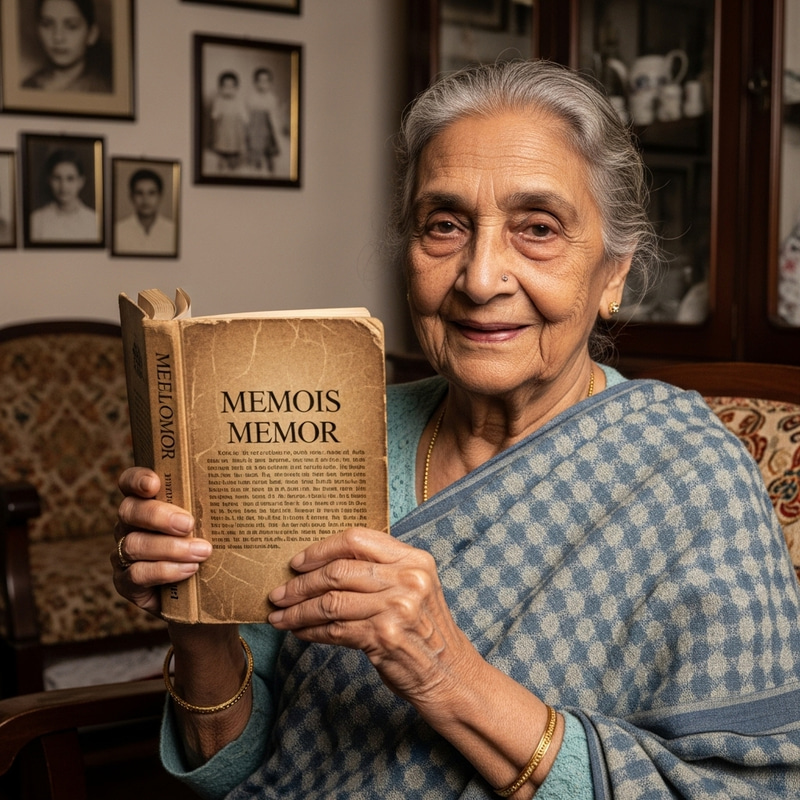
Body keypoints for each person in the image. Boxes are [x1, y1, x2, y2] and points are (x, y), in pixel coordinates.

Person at [113, 60, 800, 799]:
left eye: (537, 228)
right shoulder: (335, 437)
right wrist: (199, 622)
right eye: (444, 225)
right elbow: (233, 768)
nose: (479, 278)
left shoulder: (689, 477)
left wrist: (447, 673)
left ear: (614, 276)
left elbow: (752, 790)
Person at [22, 0, 112, 93]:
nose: (58, 37)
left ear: (92, 34)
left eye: (71, 26)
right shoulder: (28, 86)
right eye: (47, 24)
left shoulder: (105, 90)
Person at [30, 148, 97, 242]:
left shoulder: (94, 221)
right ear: (49, 180)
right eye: (57, 178)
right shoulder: (37, 220)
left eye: (70, 179)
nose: (63, 186)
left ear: (81, 182)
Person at [114, 168, 176, 255]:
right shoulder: (118, 231)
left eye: (151, 193)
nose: (145, 200)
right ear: (131, 197)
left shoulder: (173, 231)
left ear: (160, 196)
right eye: (139, 193)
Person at [210, 70, 248, 172]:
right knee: (222, 144)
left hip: (236, 128)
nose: (228, 90)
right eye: (225, 87)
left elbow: (244, 115)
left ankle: (233, 161)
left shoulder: (239, 101)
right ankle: (223, 159)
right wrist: (216, 120)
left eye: (231, 87)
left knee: (235, 145)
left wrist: (245, 120)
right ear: (220, 88)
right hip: (223, 127)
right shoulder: (219, 101)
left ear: (236, 88)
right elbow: (215, 115)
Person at [246, 67, 281, 173]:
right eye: (259, 81)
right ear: (255, 83)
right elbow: (248, 112)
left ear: (270, 83)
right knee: (256, 144)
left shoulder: (272, 98)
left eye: (266, 81)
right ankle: (257, 162)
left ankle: (270, 161)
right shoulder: (251, 97)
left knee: (269, 144)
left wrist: (276, 127)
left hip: (268, 125)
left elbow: (274, 114)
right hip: (255, 126)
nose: (263, 84)